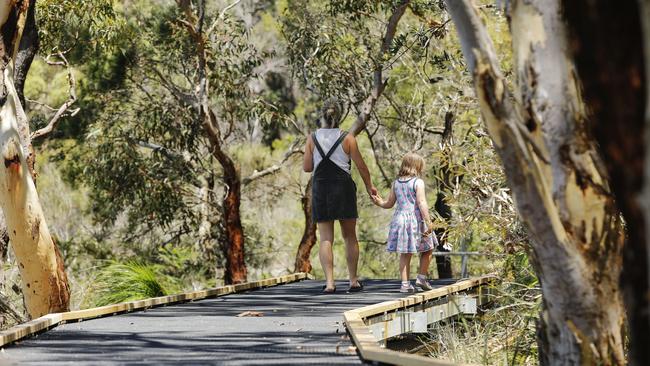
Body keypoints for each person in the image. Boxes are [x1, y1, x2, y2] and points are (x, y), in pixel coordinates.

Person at [303, 99, 377, 294]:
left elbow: (307, 167)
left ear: (322, 116)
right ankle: (353, 280)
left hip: (321, 188)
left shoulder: (312, 138)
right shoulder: (348, 138)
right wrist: (370, 187)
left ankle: (329, 283)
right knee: (350, 236)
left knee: (326, 237)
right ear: (341, 115)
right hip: (343, 188)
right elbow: (361, 166)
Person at [371, 153, 438, 293]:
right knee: (428, 248)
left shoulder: (396, 183)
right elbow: (421, 202)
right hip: (416, 220)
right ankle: (421, 277)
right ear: (417, 166)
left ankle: (405, 284)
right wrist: (428, 222)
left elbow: (389, 203)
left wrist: (379, 202)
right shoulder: (417, 182)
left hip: (400, 219)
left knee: (405, 253)